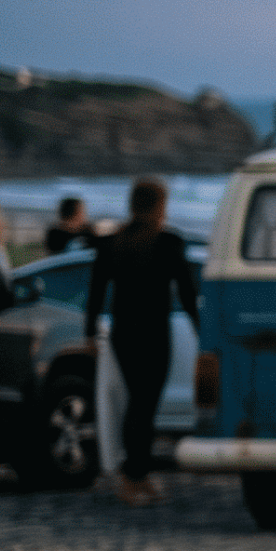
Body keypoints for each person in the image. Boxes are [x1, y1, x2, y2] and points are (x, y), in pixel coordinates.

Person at [85, 177, 197, 506]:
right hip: (154, 333)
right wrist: (200, 327)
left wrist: (90, 333)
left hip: (124, 334)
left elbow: (95, 293)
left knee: (139, 404)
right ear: (160, 206)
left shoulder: (113, 244)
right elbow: (188, 292)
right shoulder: (169, 243)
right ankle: (131, 478)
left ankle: (139, 474)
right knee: (143, 406)